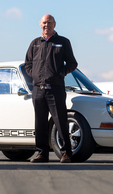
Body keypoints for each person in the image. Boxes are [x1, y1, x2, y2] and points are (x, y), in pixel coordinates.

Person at [25, 14, 78, 163]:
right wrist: (34, 76)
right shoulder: (35, 43)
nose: (46, 25)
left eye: (49, 22)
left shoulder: (63, 42)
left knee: (60, 122)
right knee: (40, 123)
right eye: (44, 23)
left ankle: (66, 153)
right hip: (38, 90)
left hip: (55, 89)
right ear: (40, 24)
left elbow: (73, 63)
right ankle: (42, 153)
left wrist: (59, 74)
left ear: (54, 24)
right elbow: (28, 64)